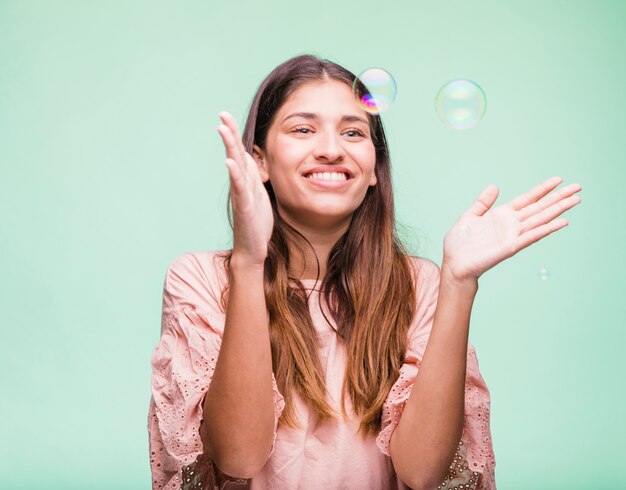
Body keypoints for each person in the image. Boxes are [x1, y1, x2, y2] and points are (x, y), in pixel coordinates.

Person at [147, 54, 582, 490]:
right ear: (258, 161)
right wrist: (248, 260)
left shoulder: (420, 285)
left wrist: (458, 283)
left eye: (353, 132)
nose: (332, 149)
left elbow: (423, 472)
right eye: (303, 129)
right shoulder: (201, 279)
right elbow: (237, 457)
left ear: (374, 168)